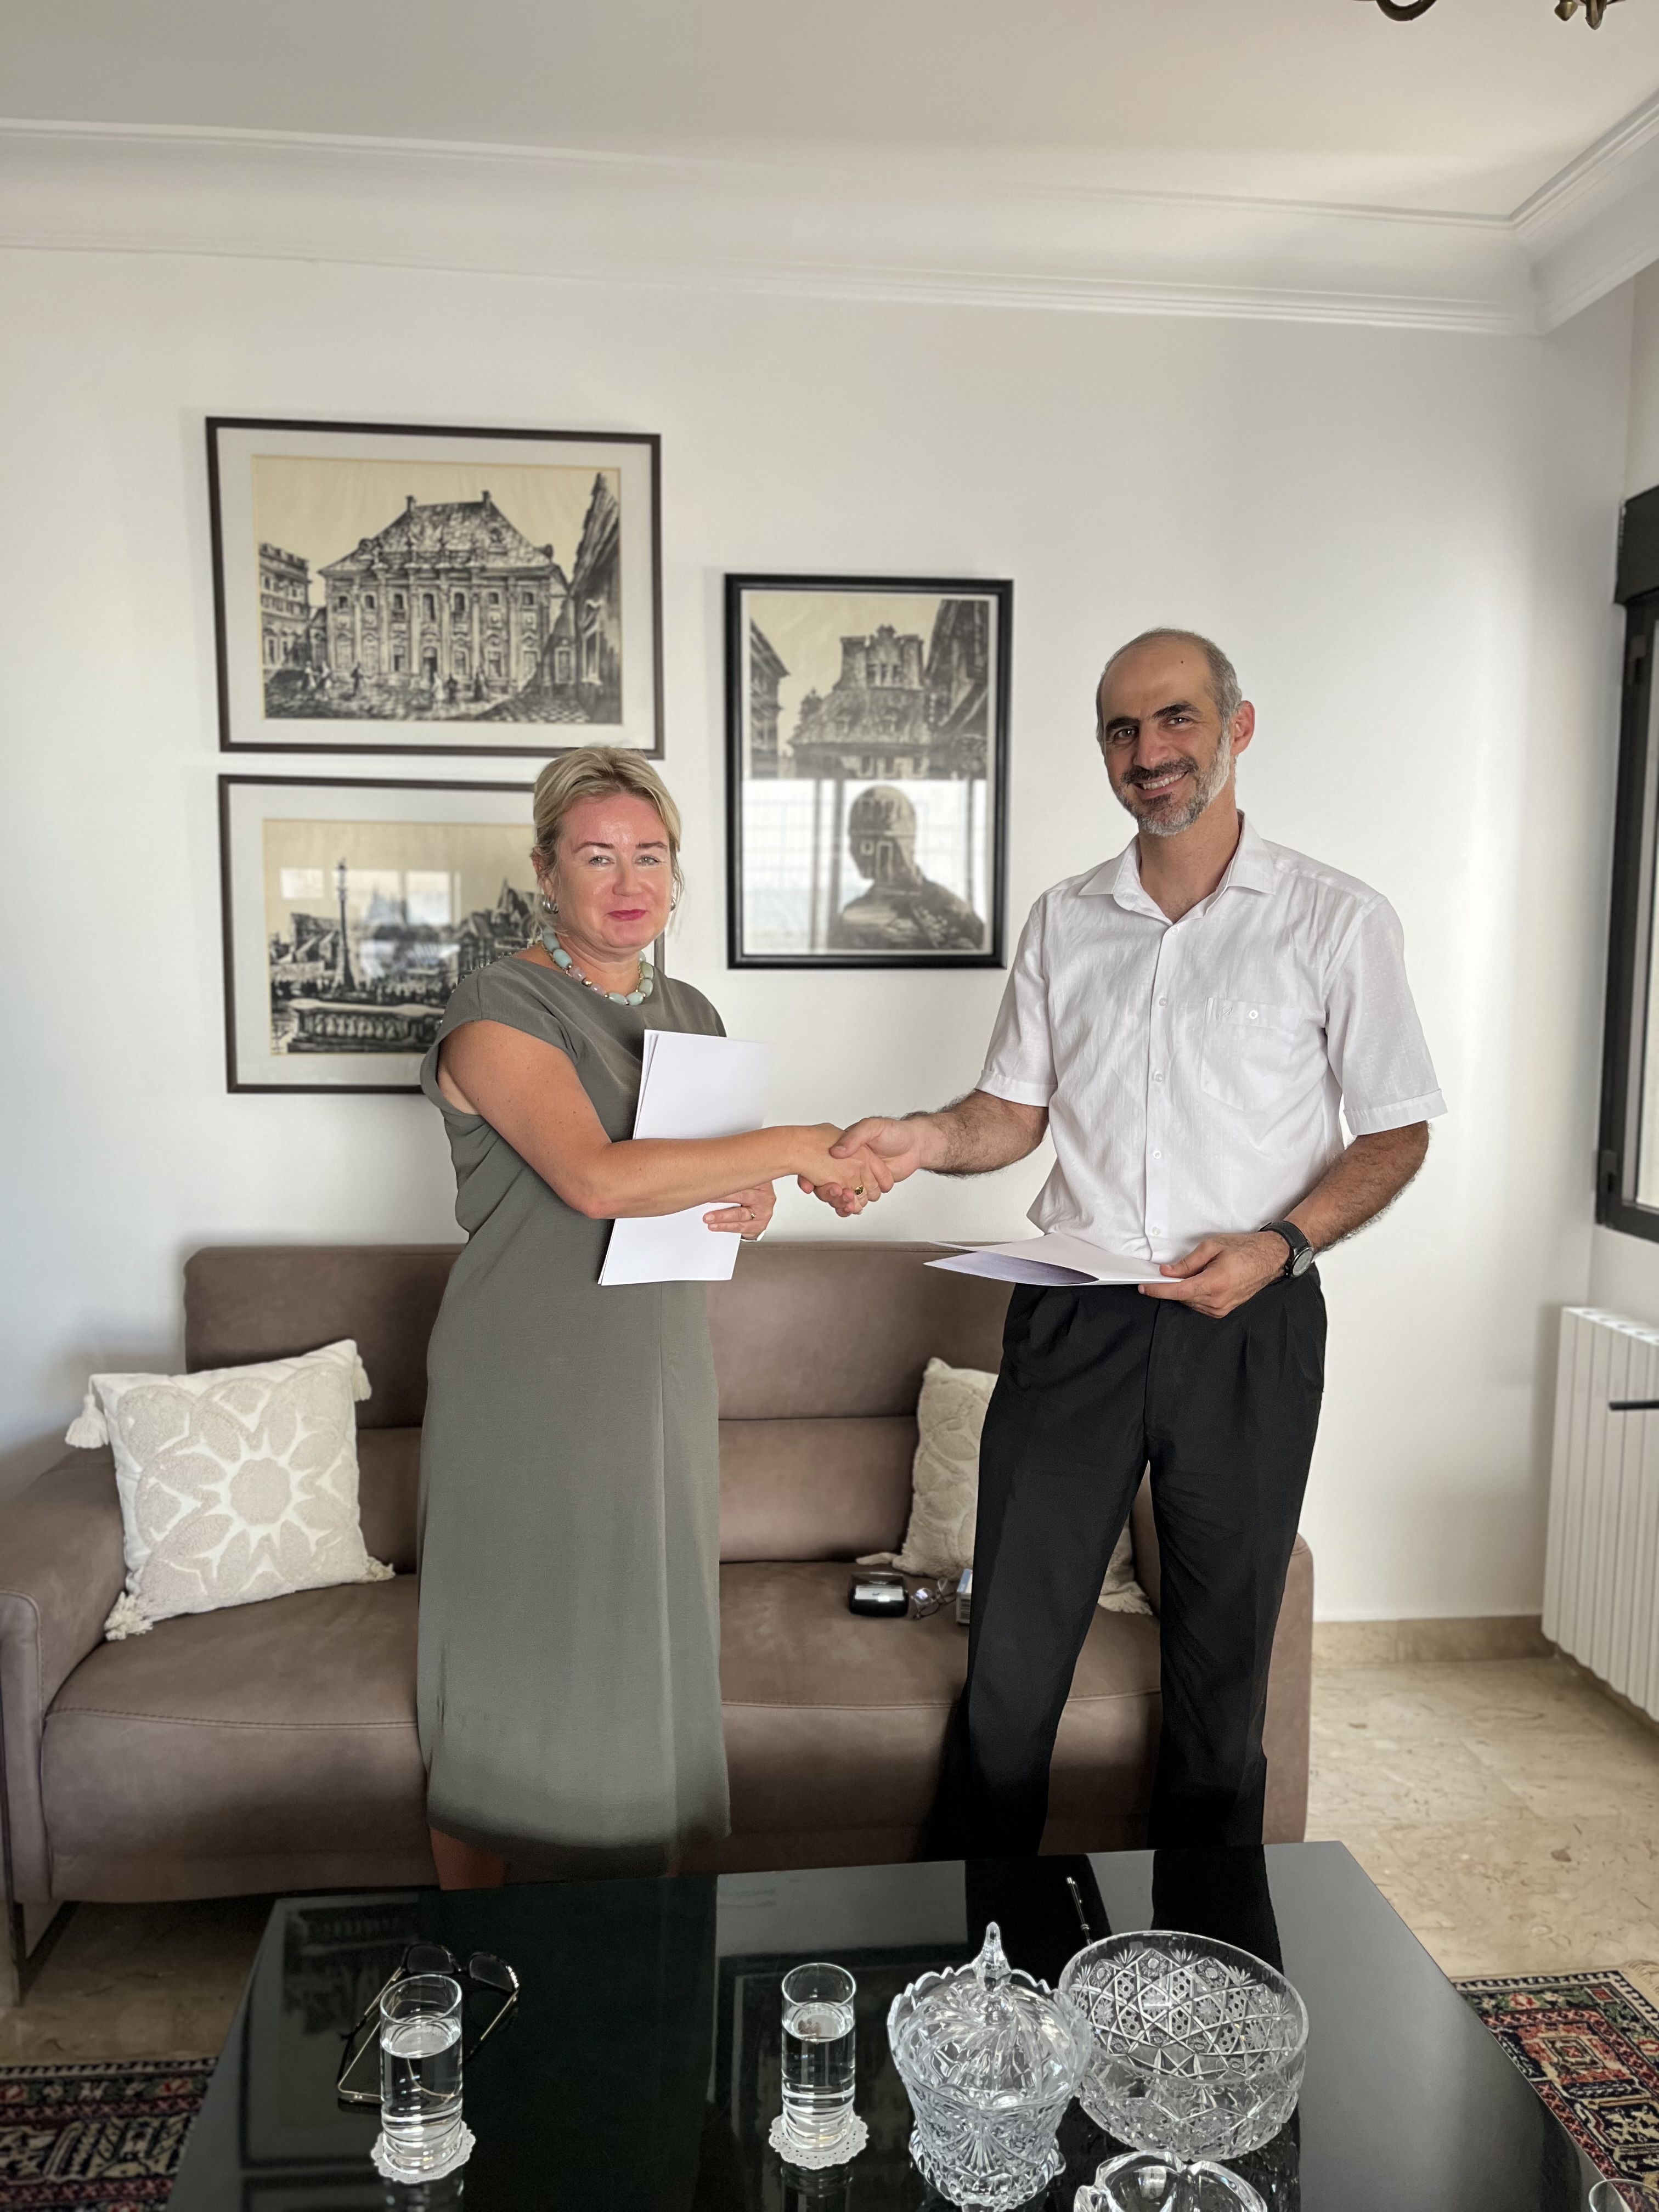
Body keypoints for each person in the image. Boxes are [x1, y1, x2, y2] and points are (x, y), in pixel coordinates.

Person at [810, 629, 1444, 1853]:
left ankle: (1201, 1956)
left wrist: (1280, 1245)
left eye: (1175, 719)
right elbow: (1011, 1114)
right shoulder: (1065, 920)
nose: (1147, 752)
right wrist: (922, 1138)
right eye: (1120, 729)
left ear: (1237, 728)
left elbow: (1396, 1131)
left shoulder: (1335, 919)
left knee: (1220, 1676)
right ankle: (987, 1950)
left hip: (1250, 1321)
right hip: (1075, 1316)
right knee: (1010, 1664)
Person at [419, 747, 891, 1887]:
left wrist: (751, 1196)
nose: (628, 881)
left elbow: (688, 1181)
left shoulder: (690, 1011)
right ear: (546, 872)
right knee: (505, 1649)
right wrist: (797, 1143)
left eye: (649, 855)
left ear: (676, 873)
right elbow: (595, 1179)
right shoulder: (494, 1006)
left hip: (660, 1361)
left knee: (650, 1638)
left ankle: (652, 1935)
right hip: (525, 1373)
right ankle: (471, 1942)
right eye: (596, 857)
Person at [828, 783, 985, 953]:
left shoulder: (952, 909)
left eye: (873, 839)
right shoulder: (851, 919)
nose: (857, 850)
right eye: (855, 838)